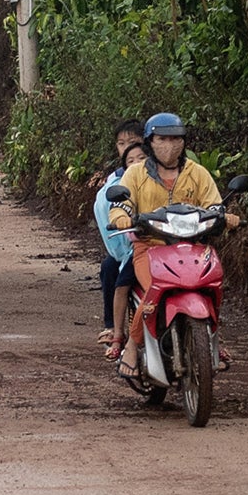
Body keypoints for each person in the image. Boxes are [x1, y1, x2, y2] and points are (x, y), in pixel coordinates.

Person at [111, 112, 234, 372]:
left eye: (176, 139)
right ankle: (132, 347)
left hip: (193, 247)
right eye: (162, 139)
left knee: (213, 287)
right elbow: (121, 203)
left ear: (184, 142)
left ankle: (213, 341)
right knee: (155, 290)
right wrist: (121, 215)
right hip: (150, 247)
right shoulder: (135, 174)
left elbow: (213, 203)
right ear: (149, 142)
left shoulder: (197, 173)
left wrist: (224, 216)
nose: (170, 145)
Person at [94, 120, 144, 359]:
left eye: (133, 144)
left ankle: (211, 339)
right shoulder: (116, 182)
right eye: (122, 144)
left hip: (169, 243)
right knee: (111, 269)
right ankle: (114, 329)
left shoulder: (174, 173)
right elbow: (110, 212)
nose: (127, 150)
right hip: (133, 248)